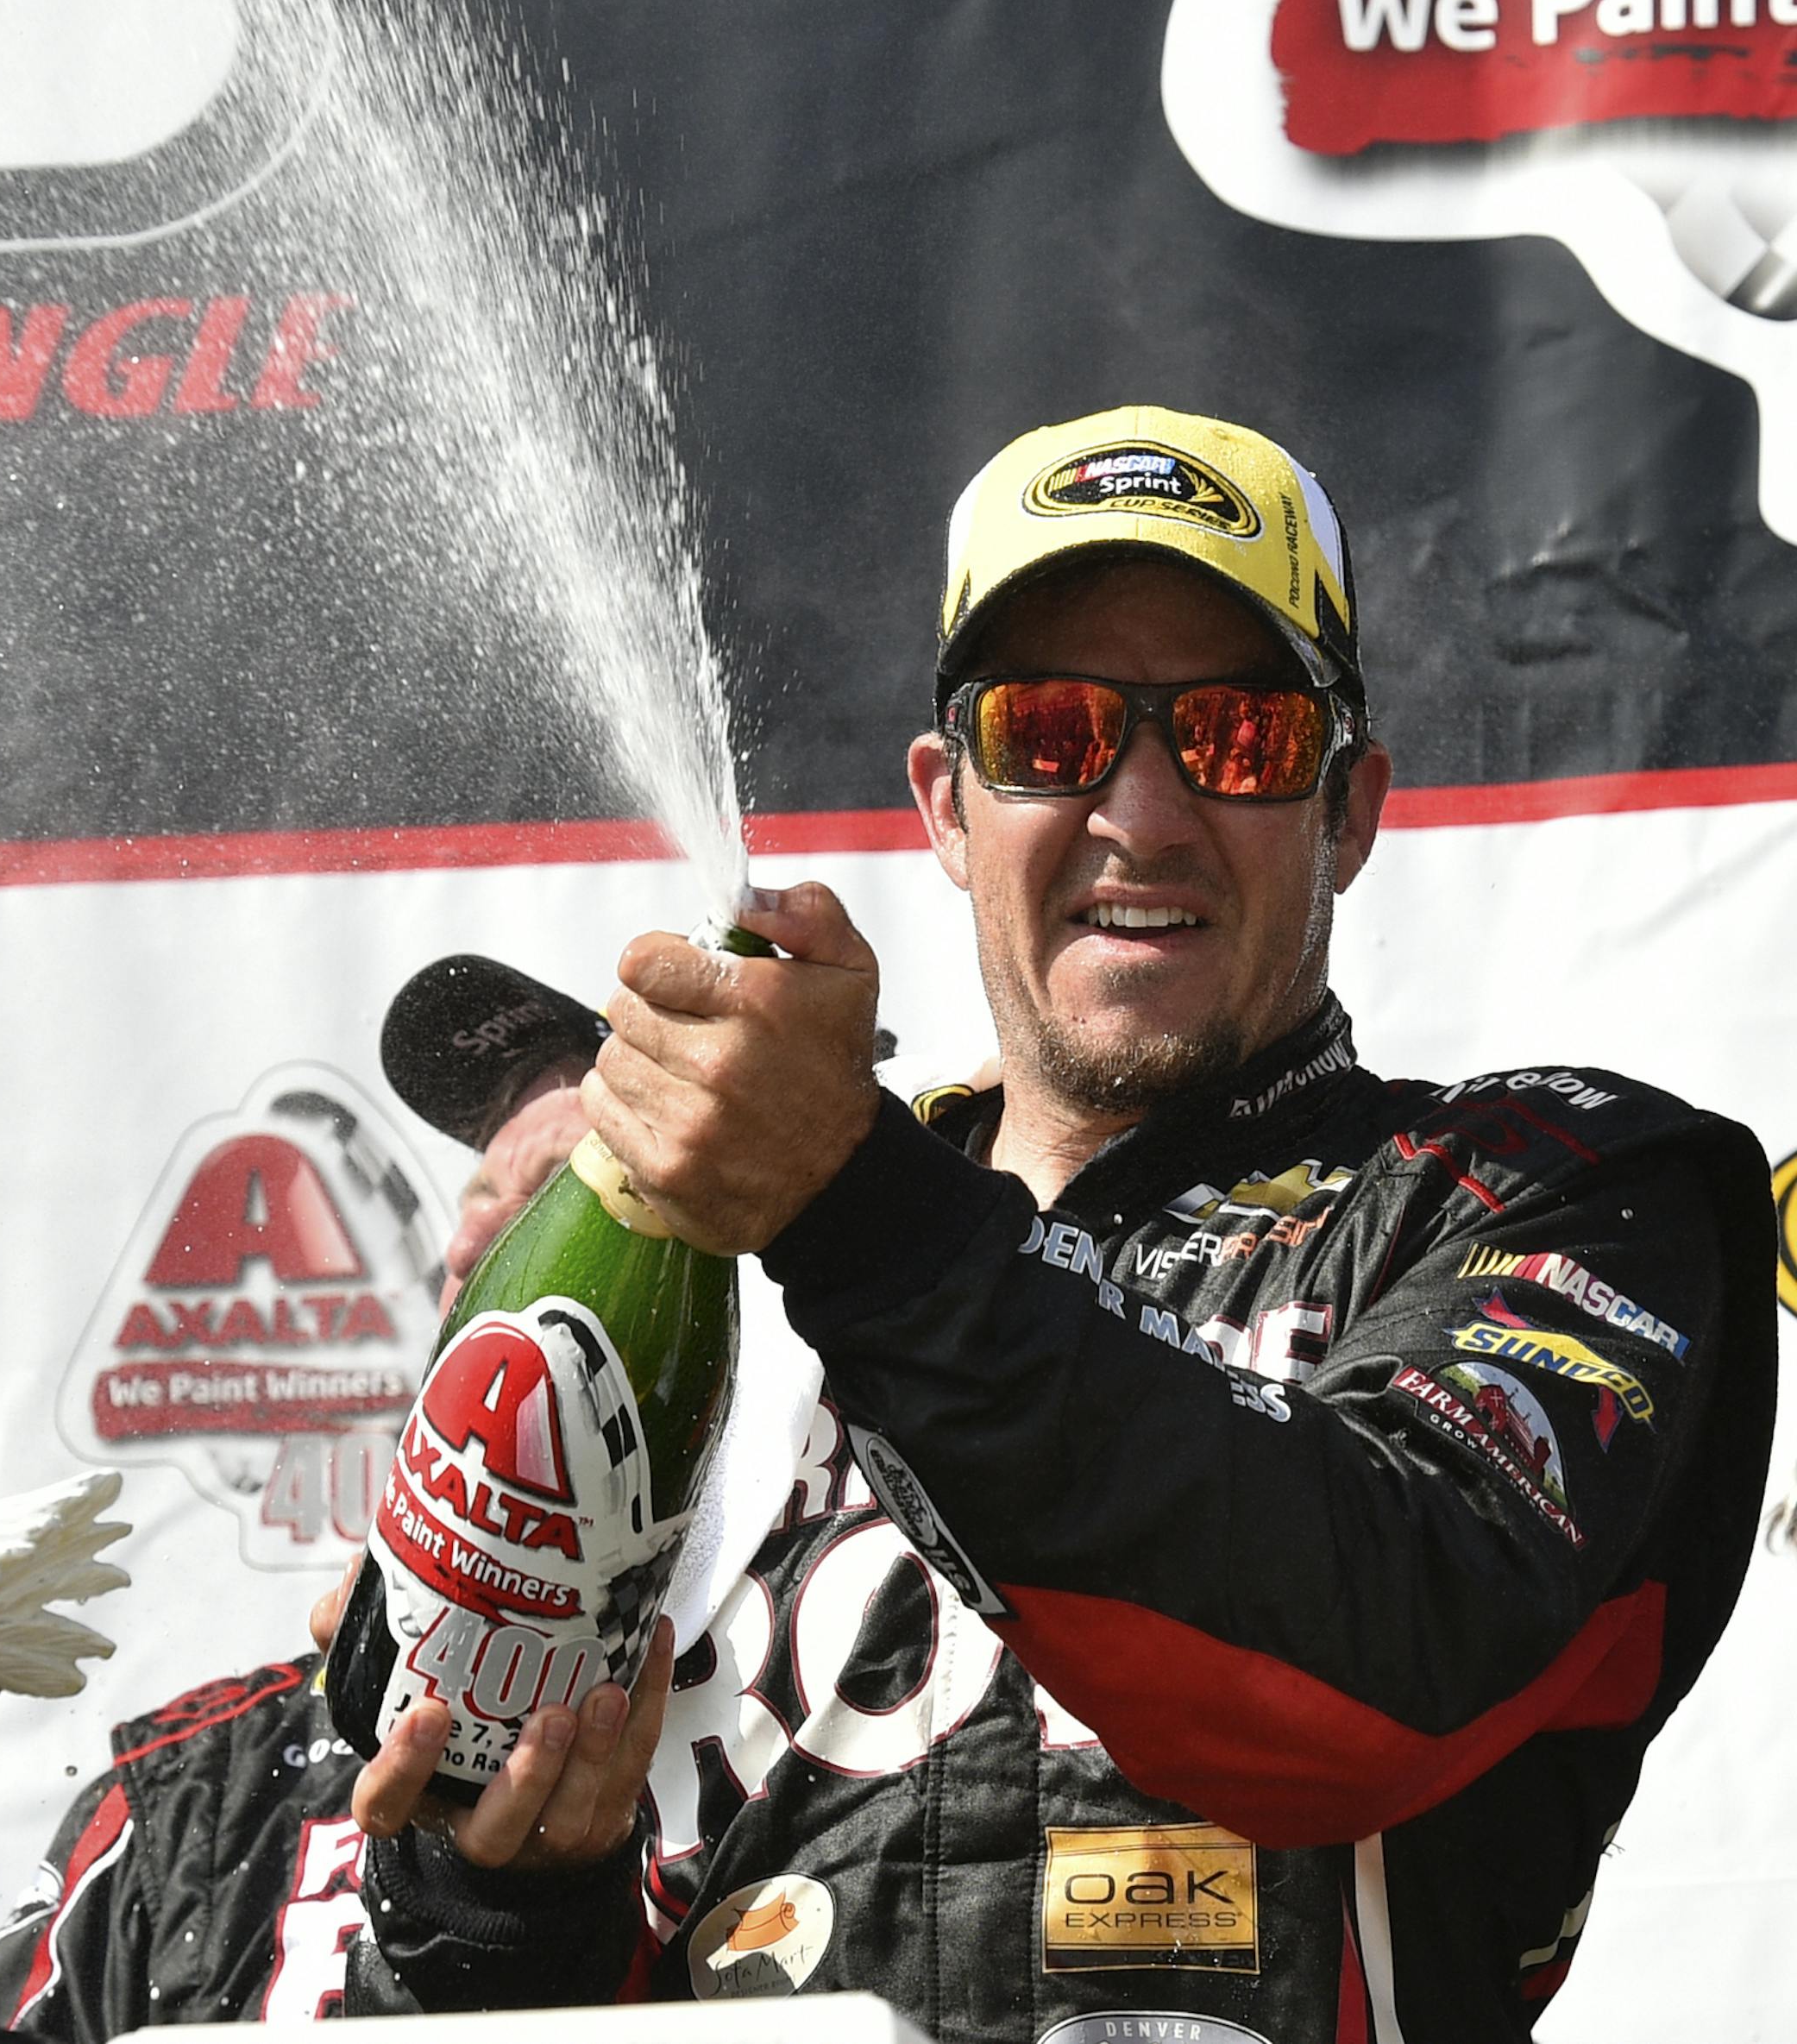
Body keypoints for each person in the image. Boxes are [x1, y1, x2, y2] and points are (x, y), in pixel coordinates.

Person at [343, 405, 1776, 2042]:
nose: (1144, 811)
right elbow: (555, 1963)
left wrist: (864, 1214)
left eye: (1237, 736)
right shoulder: (720, 1279)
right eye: (1054, 727)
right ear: (947, 807)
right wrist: (500, 1898)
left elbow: (1374, 1665)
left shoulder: (1549, 1186)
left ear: (1351, 809)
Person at [0, 959, 619, 2036]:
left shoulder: (873, 1708)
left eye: (575, 1206)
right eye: (482, 1199)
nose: (467, 1250)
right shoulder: (200, 1795)